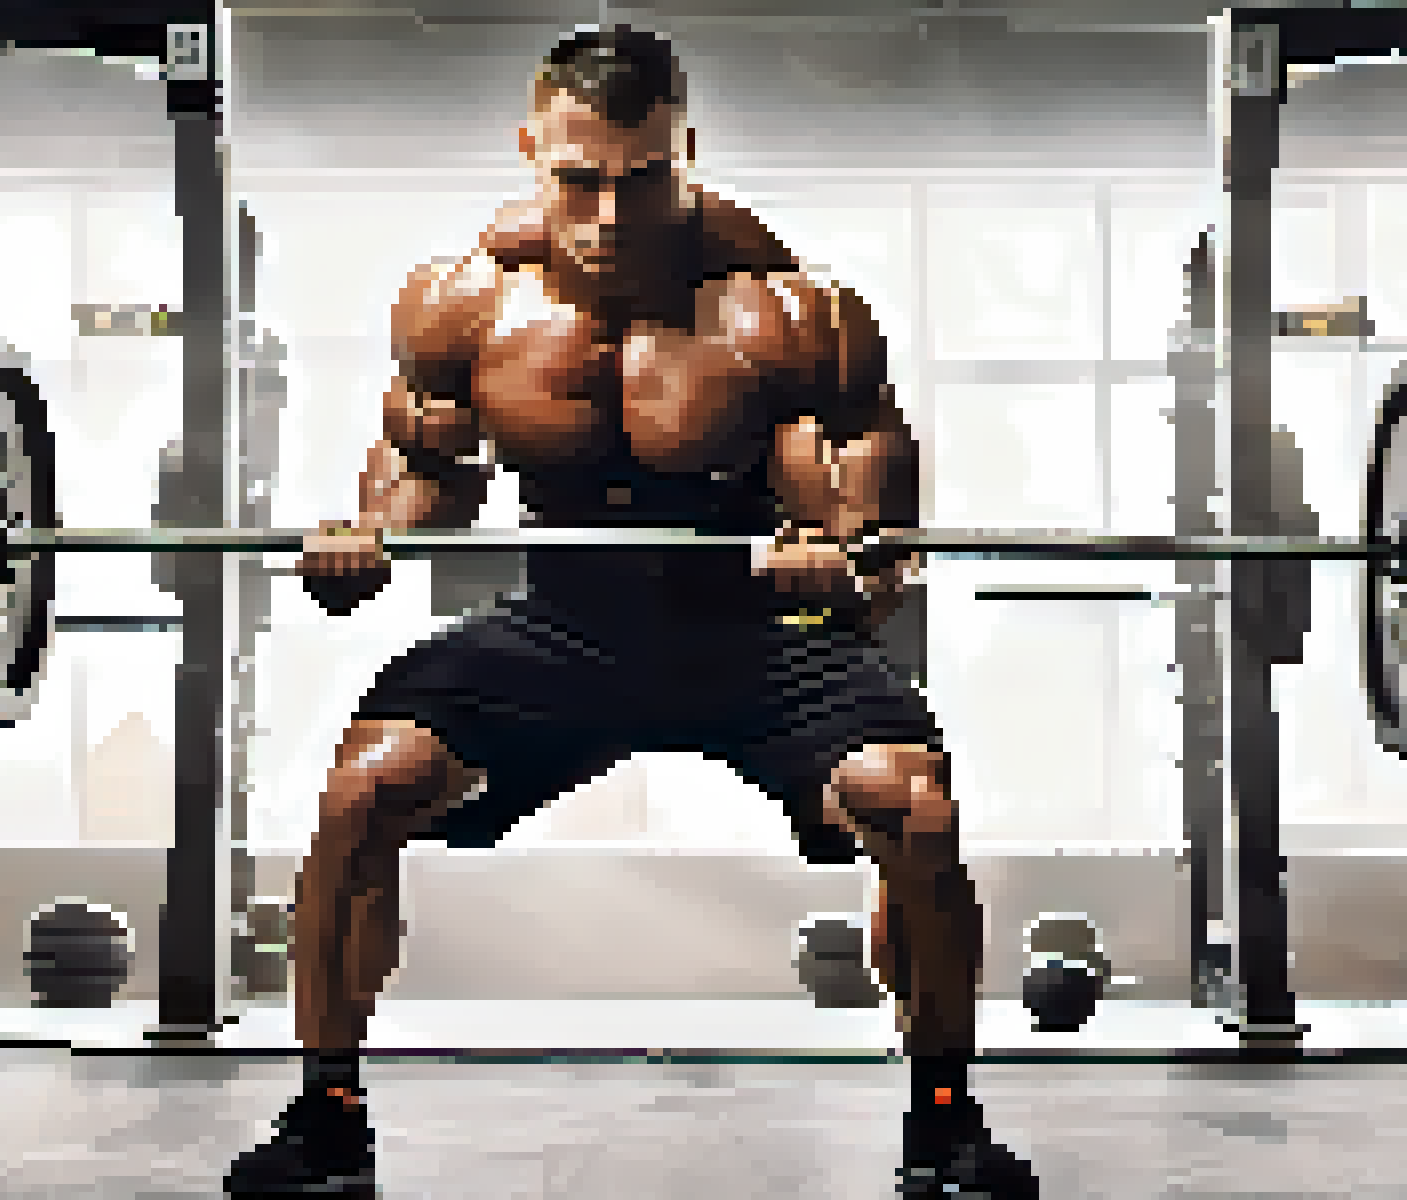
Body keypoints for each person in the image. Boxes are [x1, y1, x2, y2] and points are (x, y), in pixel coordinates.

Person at [225, 25, 1037, 1199]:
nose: (608, 214)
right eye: (578, 179)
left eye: (642, 179)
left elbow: (880, 536)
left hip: (758, 630)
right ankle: (325, 1114)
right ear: (530, 149)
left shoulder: (786, 313)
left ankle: (945, 1120)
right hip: (564, 625)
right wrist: (372, 538)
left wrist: (838, 563)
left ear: (685, 149)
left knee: (909, 809)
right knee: (365, 790)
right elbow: (427, 475)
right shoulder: (463, 305)